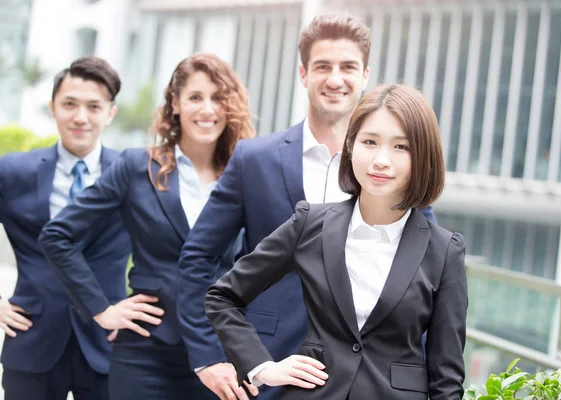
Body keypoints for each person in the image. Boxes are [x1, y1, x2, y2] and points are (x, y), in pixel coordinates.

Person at [177, 13, 436, 400]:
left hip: (370, 379)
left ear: (365, 74)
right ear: (303, 74)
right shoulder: (254, 159)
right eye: (322, 67)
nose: (335, 79)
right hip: (268, 369)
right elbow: (197, 259)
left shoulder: (394, 166)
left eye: (348, 66)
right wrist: (209, 357)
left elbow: (422, 276)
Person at [205, 83, 467, 400]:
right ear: (351, 146)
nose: (381, 160)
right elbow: (222, 297)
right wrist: (262, 367)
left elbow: (446, 380)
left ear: (423, 156)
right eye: (370, 142)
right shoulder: (310, 224)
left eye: (401, 147)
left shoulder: (444, 251)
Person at [38, 53, 255, 400]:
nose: (207, 109)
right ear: (176, 103)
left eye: (218, 98)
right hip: (146, 353)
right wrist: (102, 309)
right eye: (196, 97)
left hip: (223, 355)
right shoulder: (138, 167)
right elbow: (58, 236)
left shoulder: (247, 174)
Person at [0, 56, 131, 400]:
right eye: (69, 104)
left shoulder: (134, 173)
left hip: (109, 341)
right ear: (52, 107)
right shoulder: (12, 171)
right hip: (32, 337)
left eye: (93, 106)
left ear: (110, 113)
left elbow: (166, 246)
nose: (80, 117)